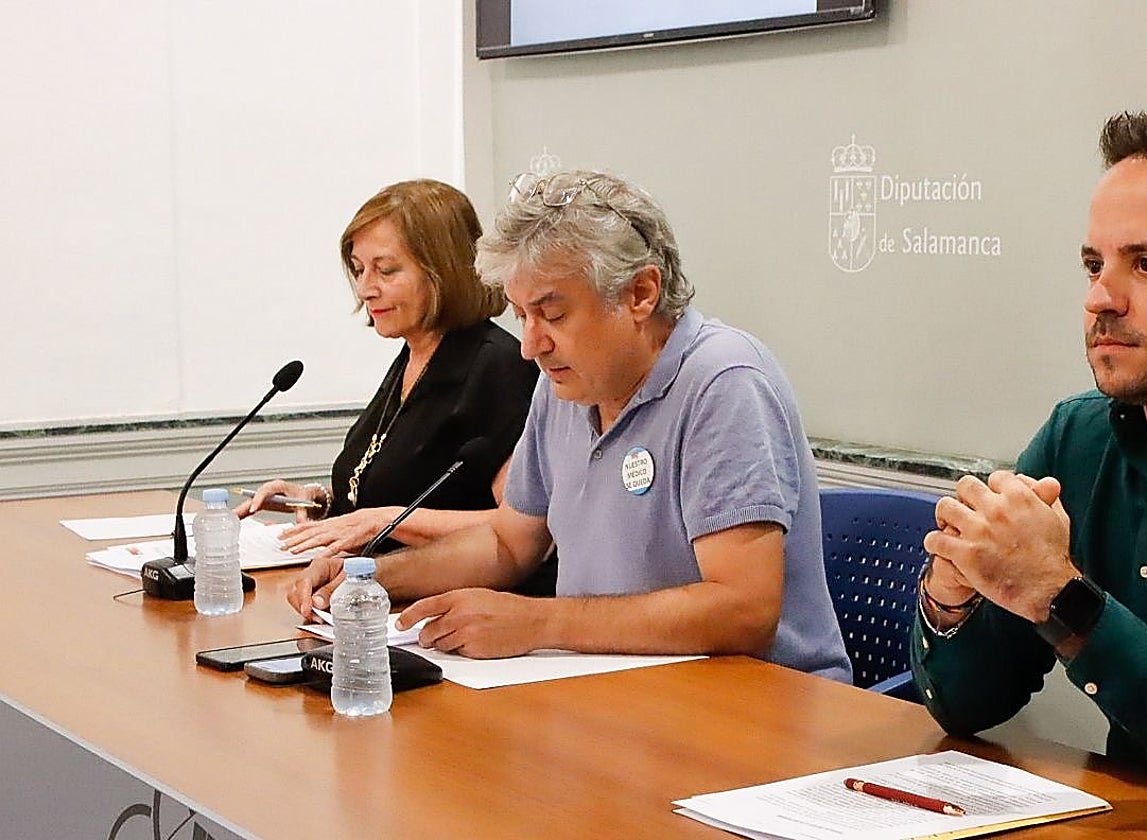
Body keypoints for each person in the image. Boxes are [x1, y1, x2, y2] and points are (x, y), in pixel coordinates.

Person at [287, 169, 851, 681]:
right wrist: (372, 577)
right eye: (522, 316)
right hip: (613, 689)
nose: (530, 345)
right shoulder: (564, 384)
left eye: (553, 314)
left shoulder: (724, 382)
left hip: (753, 706)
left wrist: (541, 622)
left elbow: (743, 610)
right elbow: (509, 542)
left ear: (640, 293)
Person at [912, 111, 1147, 784]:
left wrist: (1061, 598)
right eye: (1094, 265)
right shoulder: (1078, 438)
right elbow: (967, 707)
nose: (1101, 298)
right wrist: (954, 596)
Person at [239, 179, 548, 595]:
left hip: (455, 606)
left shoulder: (497, 366)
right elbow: (399, 484)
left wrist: (386, 520)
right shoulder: (414, 354)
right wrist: (321, 503)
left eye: (385, 270)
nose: (366, 288)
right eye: (359, 270)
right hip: (372, 596)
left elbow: (522, 530)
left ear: (443, 271)